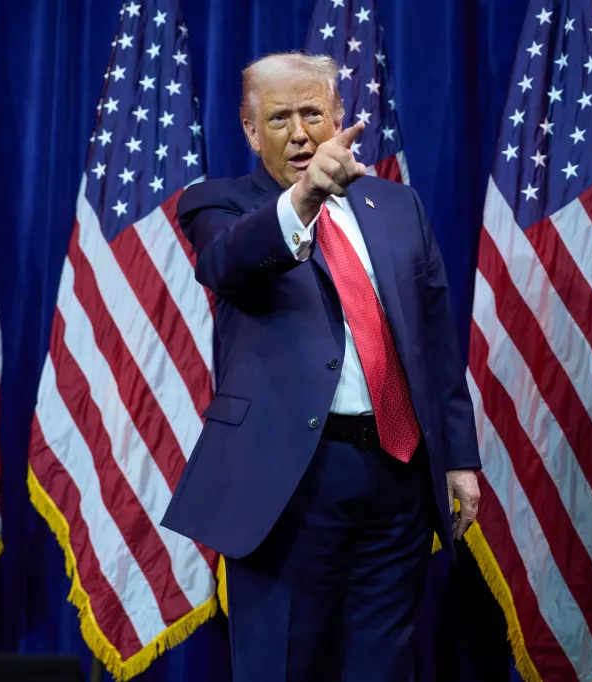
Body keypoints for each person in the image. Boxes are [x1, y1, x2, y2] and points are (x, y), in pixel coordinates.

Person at [160, 52, 481, 682]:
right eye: (279, 119)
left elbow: (436, 343)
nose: (301, 132)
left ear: (339, 116)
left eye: (313, 113)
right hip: (289, 486)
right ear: (251, 132)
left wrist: (460, 458)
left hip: (397, 479)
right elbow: (227, 262)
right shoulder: (219, 204)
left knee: (383, 667)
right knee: (283, 666)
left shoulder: (398, 206)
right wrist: (306, 195)